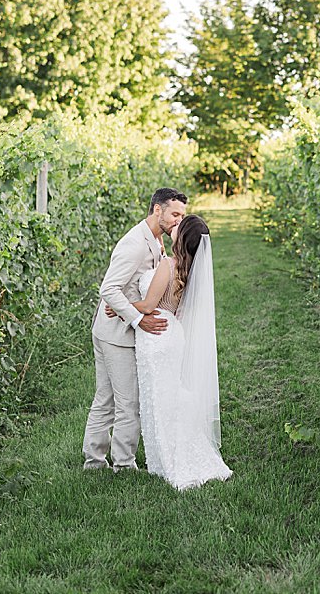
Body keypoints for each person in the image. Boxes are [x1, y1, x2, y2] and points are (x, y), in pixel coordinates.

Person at [82, 188, 186, 471]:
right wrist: (139, 319)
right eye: (174, 214)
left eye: (182, 216)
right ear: (157, 210)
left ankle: (93, 462)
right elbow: (109, 289)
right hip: (116, 334)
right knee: (127, 402)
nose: (178, 221)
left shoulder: (156, 239)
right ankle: (124, 465)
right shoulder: (135, 243)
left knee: (106, 398)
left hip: (111, 329)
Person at [131, 214, 233, 489]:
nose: (174, 226)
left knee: (159, 400)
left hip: (156, 337)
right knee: (169, 396)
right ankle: (179, 452)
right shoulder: (187, 269)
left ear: (183, 236)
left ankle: (170, 460)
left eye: (179, 225)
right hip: (173, 333)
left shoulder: (168, 265)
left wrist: (120, 307)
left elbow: (149, 305)